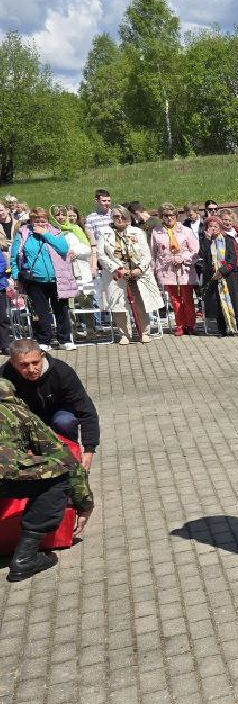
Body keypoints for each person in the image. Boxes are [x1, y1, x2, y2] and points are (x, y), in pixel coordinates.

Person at [0, 379, 93, 582]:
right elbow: (65, 459)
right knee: (57, 475)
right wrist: (85, 505)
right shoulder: (19, 413)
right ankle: (25, 558)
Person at [3, 339, 100, 470]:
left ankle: (72, 460)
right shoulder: (3, 377)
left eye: (35, 362)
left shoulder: (61, 372)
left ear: (42, 356)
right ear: (12, 363)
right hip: (26, 419)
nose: (31, 369)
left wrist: (89, 451)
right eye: (24, 365)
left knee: (65, 421)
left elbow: (86, 411)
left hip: (59, 414)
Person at [96, 208, 164, 344]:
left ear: (128, 217)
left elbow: (146, 254)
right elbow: (101, 254)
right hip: (116, 274)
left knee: (141, 303)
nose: (119, 219)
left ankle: (144, 332)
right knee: (119, 305)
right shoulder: (104, 233)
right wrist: (116, 268)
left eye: (122, 216)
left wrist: (140, 268)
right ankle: (124, 334)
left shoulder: (137, 232)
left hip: (137, 274)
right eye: (116, 216)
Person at [12, 206, 74, 351]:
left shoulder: (54, 231)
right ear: (31, 220)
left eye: (43, 220)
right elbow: (15, 258)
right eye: (36, 220)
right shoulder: (23, 233)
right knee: (40, 312)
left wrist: (46, 234)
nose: (40, 223)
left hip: (57, 278)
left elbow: (63, 249)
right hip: (35, 280)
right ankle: (43, 340)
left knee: (61, 310)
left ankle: (64, 339)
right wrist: (16, 277)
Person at [151, 204, 200, 336]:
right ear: (162, 217)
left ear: (176, 216)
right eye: (166, 216)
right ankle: (180, 324)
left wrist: (183, 258)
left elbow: (195, 250)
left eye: (172, 215)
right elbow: (153, 253)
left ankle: (190, 324)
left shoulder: (185, 230)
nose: (169, 218)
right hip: (167, 270)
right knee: (174, 299)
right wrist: (154, 271)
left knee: (187, 298)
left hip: (184, 270)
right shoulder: (156, 231)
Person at [197, 213, 238, 335]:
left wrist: (222, 271)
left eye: (215, 226)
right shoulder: (205, 241)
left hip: (228, 276)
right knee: (217, 303)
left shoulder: (228, 240)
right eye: (210, 226)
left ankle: (234, 326)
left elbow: (233, 259)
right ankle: (222, 328)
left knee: (231, 301)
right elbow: (203, 256)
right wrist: (207, 240)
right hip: (212, 277)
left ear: (220, 227)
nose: (213, 228)